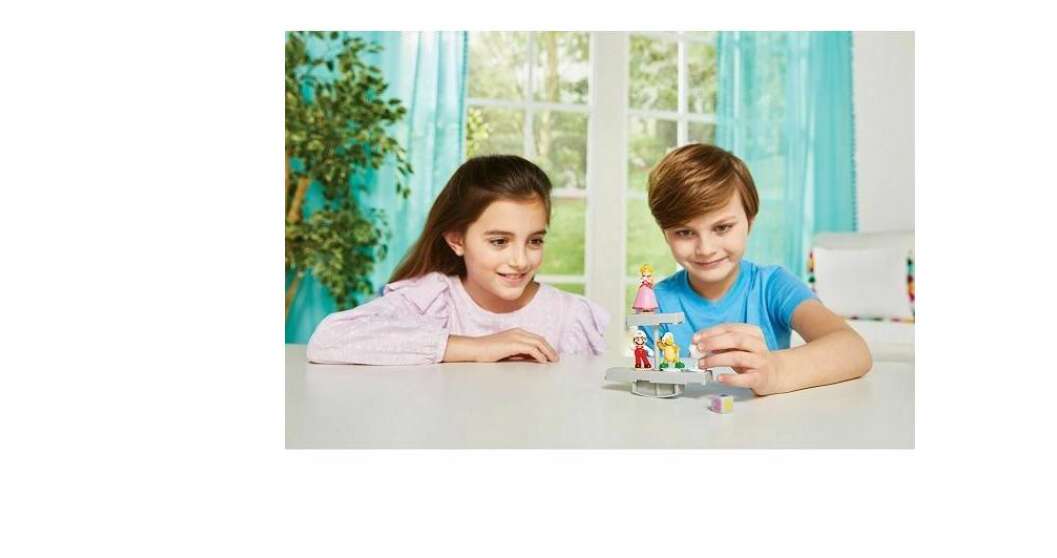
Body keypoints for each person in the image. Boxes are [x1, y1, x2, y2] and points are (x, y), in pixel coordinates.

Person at [307, 155, 609, 366]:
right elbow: (328, 339)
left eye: (535, 241)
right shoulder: (431, 300)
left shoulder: (569, 316)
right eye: (499, 241)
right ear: (457, 240)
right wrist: (476, 347)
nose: (520, 260)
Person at [642, 144, 871, 395]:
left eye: (722, 228)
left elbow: (854, 350)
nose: (705, 249)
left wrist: (775, 371)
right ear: (665, 234)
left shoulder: (773, 286)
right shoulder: (656, 302)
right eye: (685, 232)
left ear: (749, 222)